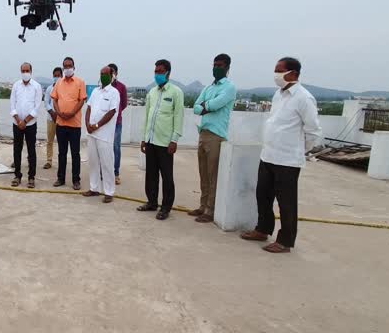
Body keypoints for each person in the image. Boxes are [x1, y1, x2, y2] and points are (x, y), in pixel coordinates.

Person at [240, 57, 322, 253]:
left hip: (287, 160)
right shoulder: (278, 94)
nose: (276, 75)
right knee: (263, 195)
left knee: (286, 202)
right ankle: (262, 229)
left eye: (279, 70)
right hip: (268, 155)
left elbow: (314, 132)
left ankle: (285, 241)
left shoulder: (304, 98)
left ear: (293, 73)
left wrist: (296, 151)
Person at [188, 54, 238, 223]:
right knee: (203, 172)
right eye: (214, 64)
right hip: (203, 133)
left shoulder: (229, 88)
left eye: (220, 65)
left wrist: (205, 106)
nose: (216, 68)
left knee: (212, 173)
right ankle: (202, 206)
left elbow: (216, 104)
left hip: (216, 135)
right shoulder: (208, 88)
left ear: (227, 68)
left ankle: (210, 209)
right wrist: (205, 107)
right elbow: (195, 108)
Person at [137, 59, 184, 220]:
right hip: (151, 140)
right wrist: (144, 138)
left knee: (167, 176)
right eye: (156, 71)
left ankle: (166, 207)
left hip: (165, 142)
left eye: (160, 71)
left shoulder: (176, 92)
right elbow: (147, 117)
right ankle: (151, 202)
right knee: (151, 174)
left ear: (168, 73)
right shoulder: (152, 92)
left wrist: (174, 140)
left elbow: (178, 117)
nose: (157, 74)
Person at [82, 66, 120, 203]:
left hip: (104, 135)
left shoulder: (114, 93)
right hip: (91, 133)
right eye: (101, 73)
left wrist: (97, 125)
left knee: (107, 163)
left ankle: (109, 192)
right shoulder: (96, 92)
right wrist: (87, 124)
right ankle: (94, 188)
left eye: (105, 74)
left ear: (112, 76)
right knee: (93, 162)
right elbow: (89, 108)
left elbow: (111, 112)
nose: (103, 76)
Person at [51, 56, 87, 190]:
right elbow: (54, 99)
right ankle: (60, 178)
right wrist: (59, 112)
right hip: (61, 123)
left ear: (74, 67)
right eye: (65, 66)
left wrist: (72, 113)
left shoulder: (80, 82)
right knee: (61, 153)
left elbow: (82, 100)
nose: (67, 68)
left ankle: (76, 180)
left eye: (69, 66)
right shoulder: (59, 83)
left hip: (74, 124)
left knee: (75, 153)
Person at [10, 62, 43, 188]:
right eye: (23, 71)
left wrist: (25, 121)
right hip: (17, 124)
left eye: (27, 70)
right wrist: (19, 120)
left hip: (30, 124)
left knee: (31, 150)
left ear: (31, 71)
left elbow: (37, 107)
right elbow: (12, 105)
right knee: (17, 150)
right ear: (20, 71)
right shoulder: (16, 86)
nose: (25, 73)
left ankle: (31, 177)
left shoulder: (37, 86)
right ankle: (17, 175)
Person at [107, 63, 128, 185]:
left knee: (116, 147)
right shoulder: (103, 87)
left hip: (116, 122)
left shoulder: (121, 87)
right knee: (104, 147)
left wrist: (116, 113)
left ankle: (116, 173)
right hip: (104, 123)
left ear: (116, 73)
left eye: (113, 72)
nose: (111, 74)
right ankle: (104, 171)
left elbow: (124, 104)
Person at [43, 66, 62, 170]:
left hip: (61, 119)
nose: (56, 77)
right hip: (51, 118)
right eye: (55, 76)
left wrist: (59, 114)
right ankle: (49, 161)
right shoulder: (50, 88)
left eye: (58, 75)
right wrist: (52, 113)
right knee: (49, 141)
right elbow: (46, 102)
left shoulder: (64, 88)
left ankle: (61, 161)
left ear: (61, 76)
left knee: (61, 142)